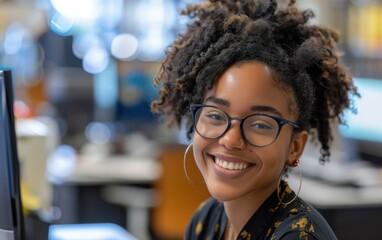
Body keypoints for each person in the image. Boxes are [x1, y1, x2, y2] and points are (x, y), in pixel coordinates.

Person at [151, 0, 359, 239]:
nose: (230, 140)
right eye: (216, 115)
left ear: (295, 147)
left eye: (260, 124)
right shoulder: (205, 220)